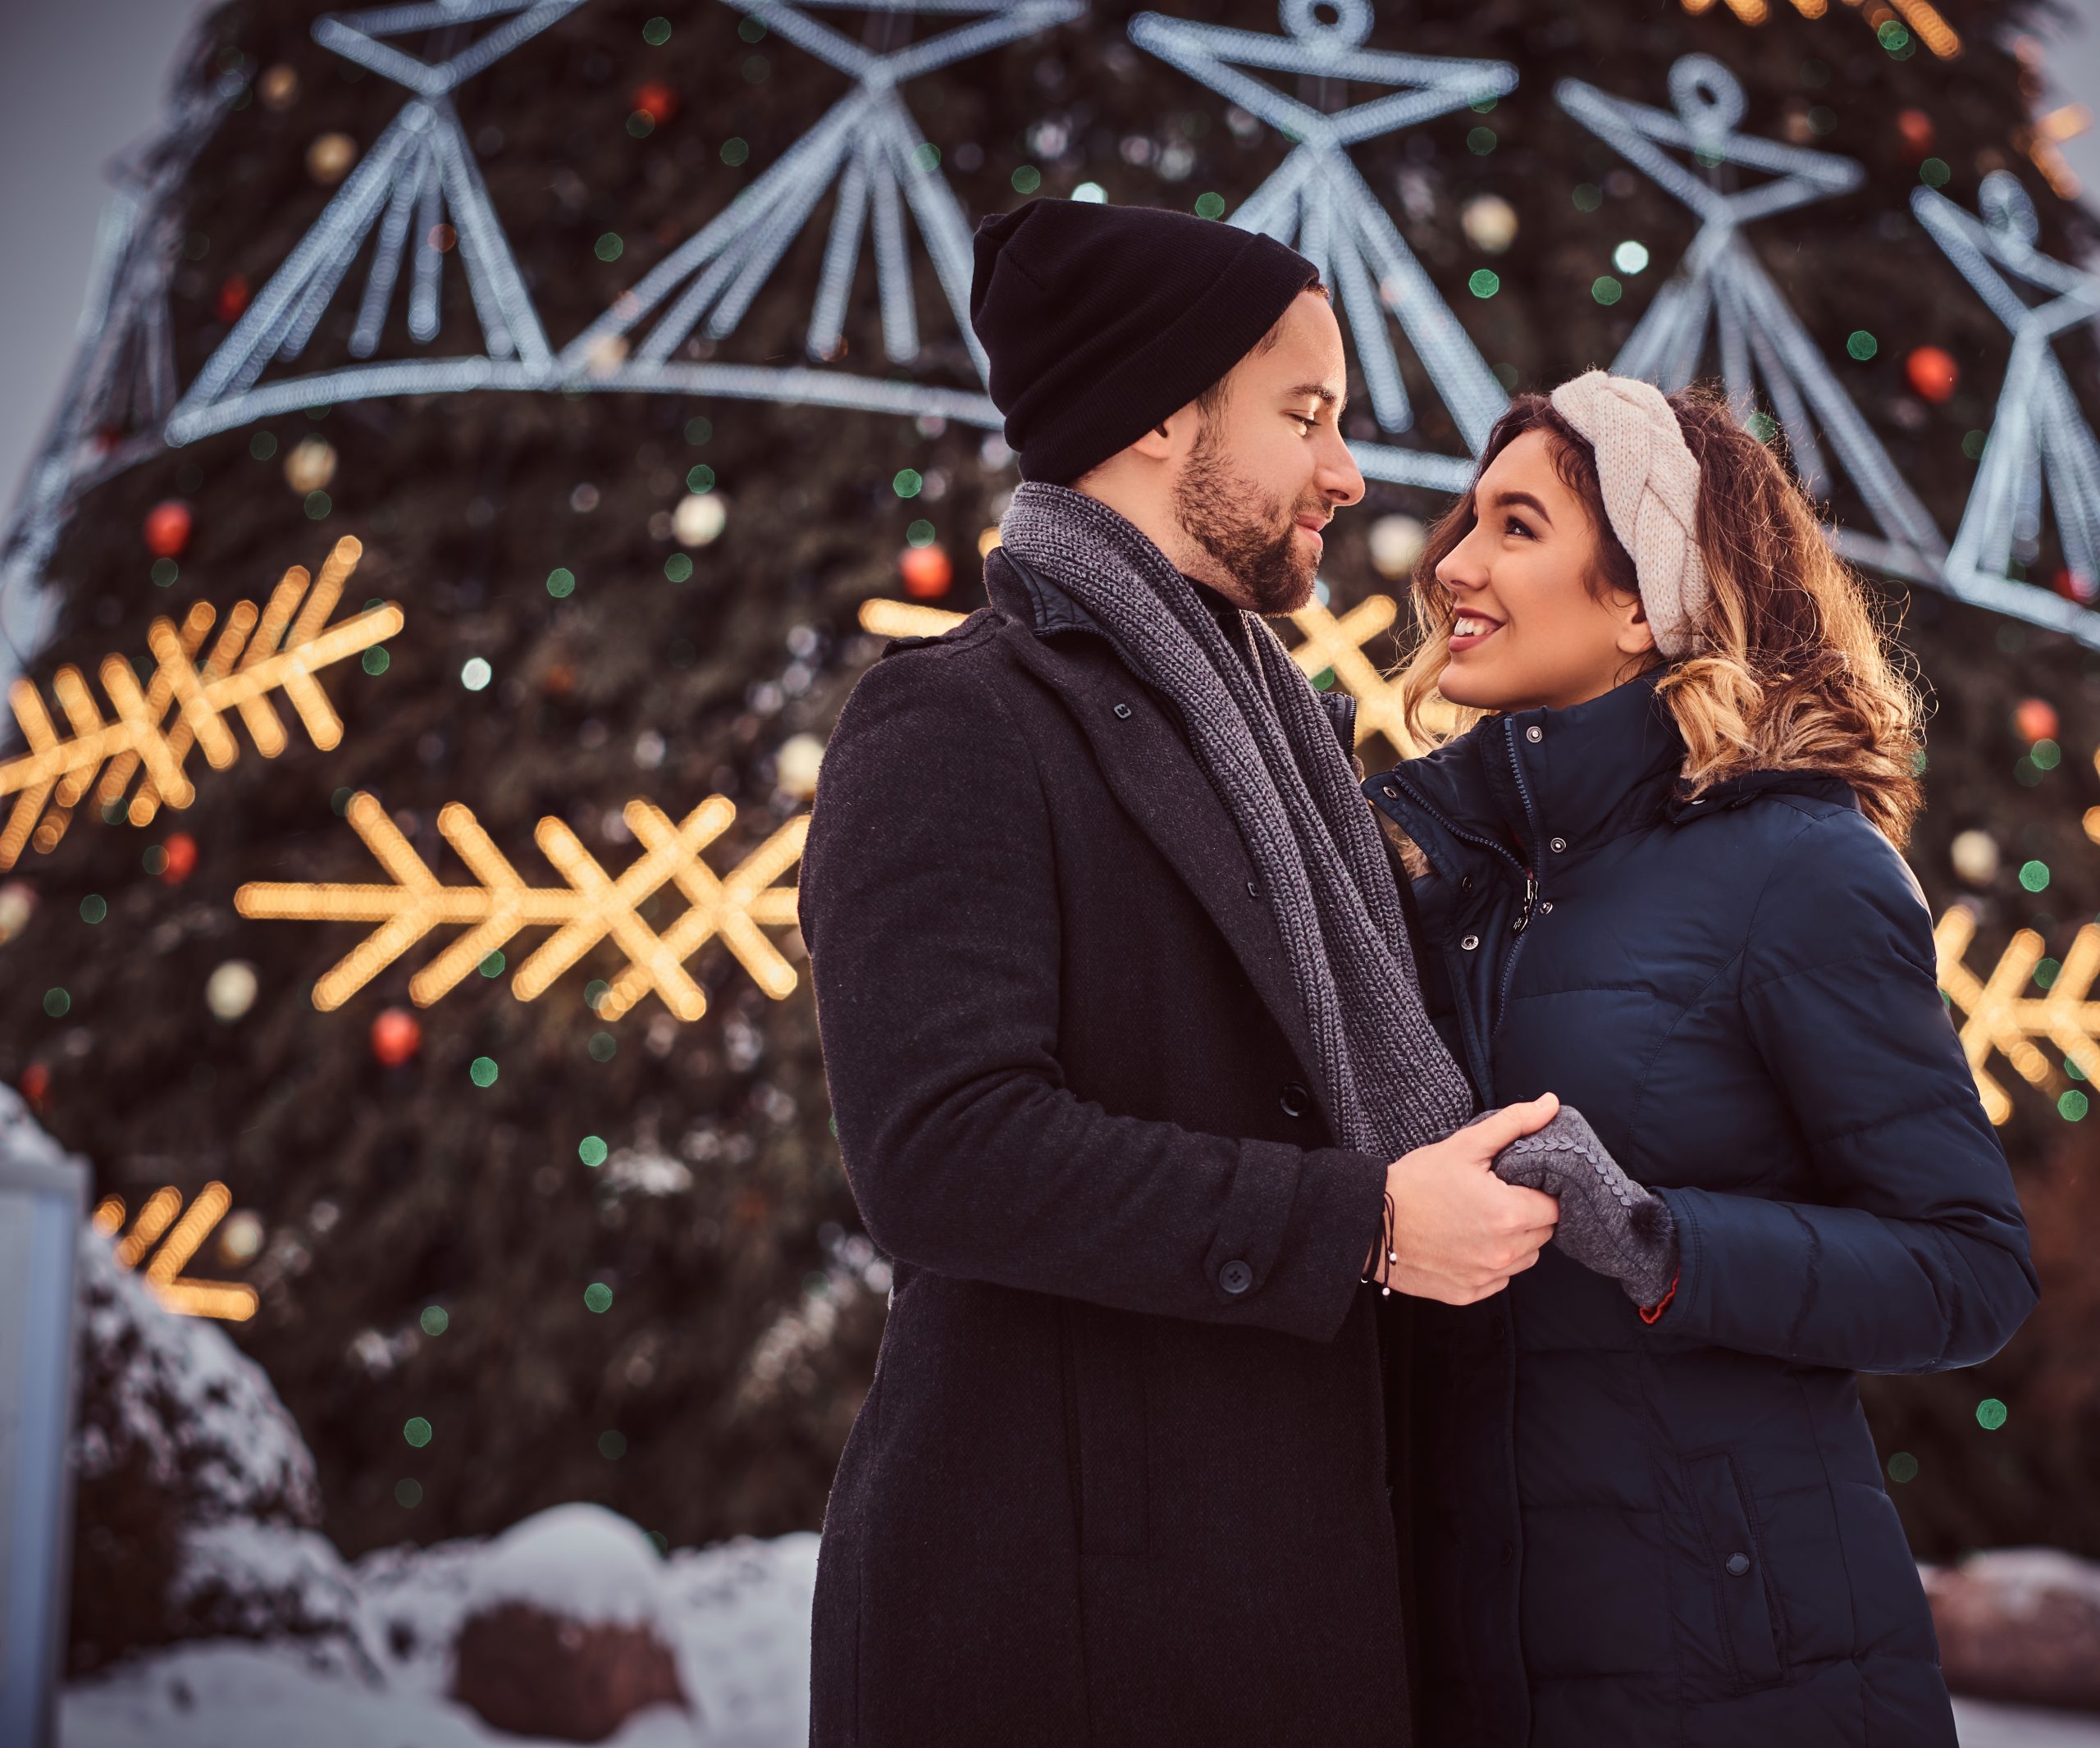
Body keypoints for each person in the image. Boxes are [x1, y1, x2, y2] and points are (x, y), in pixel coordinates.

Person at [796, 196, 1567, 1743]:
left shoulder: (1285, 745)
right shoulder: (957, 723)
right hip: (1066, 1627)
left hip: (1286, 1602)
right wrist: (1358, 1227)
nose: (1346, 473)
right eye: (1306, 415)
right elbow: (942, 1154)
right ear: (1160, 412)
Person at [1362, 369, 2041, 1746]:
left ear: (1641, 599)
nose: (1453, 565)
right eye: (1465, 523)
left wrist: (1661, 1244)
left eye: (1516, 526)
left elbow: (1970, 1270)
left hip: (1748, 1677)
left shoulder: (1798, 869)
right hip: (1484, 1670)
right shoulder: (1443, 888)